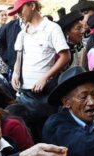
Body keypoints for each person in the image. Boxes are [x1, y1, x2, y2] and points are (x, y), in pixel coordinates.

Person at [11, 0, 70, 136]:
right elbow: (19, 57)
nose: (19, 14)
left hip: (44, 93)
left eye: (21, 10)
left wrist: (45, 77)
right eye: (17, 12)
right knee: (29, 133)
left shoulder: (52, 28)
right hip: (23, 93)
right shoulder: (22, 33)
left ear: (32, 6)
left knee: (47, 132)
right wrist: (15, 73)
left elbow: (65, 57)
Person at [0, 8, 22, 76]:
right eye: (2, 15)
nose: (4, 17)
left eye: (5, 15)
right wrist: (7, 58)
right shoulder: (8, 27)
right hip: (8, 64)